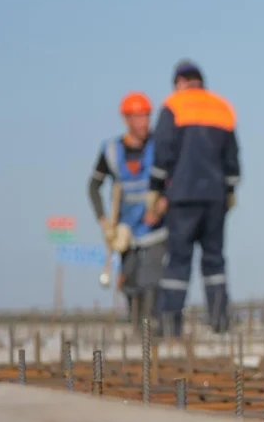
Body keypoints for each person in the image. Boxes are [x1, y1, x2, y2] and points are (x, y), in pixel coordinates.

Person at [145, 60, 240, 337]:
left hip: (182, 197)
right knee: (214, 261)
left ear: (180, 82)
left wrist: (155, 189)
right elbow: (232, 160)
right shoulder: (222, 107)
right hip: (214, 198)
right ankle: (220, 321)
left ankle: (169, 324)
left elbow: (162, 153)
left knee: (178, 261)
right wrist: (230, 192)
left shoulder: (174, 106)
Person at [87, 91, 167, 328]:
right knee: (130, 281)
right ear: (127, 120)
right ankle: (136, 330)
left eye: (146, 116)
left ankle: (153, 331)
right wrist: (104, 221)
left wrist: (163, 204)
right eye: (138, 117)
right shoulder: (111, 151)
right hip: (125, 232)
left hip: (156, 228)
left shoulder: (160, 146)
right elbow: (93, 186)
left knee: (151, 279)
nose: (144, 123)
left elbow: (176, 180)